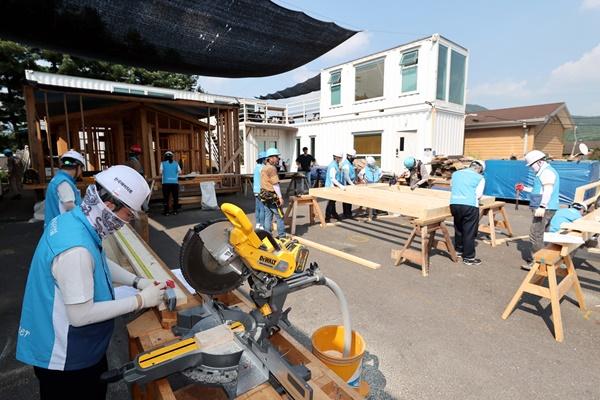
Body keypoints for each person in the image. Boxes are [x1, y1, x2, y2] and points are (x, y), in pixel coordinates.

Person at [16, 165, 166, 400]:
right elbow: (80, 316)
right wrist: (140, 300)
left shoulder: (74, 221)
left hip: (73, 347)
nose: (126, 222)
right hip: (65, 359)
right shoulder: (76, 250)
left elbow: (99, 260)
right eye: (128, 215)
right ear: (109, 206)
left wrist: (138, 281)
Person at [517, 150, 560, 270]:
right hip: (546, 207)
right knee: (543, 234)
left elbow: (548, 191)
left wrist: (542, 206)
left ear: (540, 162)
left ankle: (539, 263)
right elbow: (539, 190)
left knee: (535, 235)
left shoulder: (546, 172)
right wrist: (524, 188)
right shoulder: (542, 172)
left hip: (544, 208)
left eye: (532, 165)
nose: (531, 168)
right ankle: (546, 261)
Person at [449, 160, 486, 266]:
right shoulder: (480, 178)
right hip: (469, 205)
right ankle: (469, 257)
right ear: (479, 169)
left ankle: (459, 250)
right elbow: (478, 195)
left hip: (454, 203)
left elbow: (452, 186)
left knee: (458, 228)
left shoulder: (455, 174)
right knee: (469, 231)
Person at [44, 150, 86, 226]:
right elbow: (69, 205)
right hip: (62, 226)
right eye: (82, 169)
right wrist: (84, 218)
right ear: (79, 167)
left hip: (54, 225)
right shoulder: (64, 182)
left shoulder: (57, 179)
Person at [260, 147, 286, 238]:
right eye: (276, 157)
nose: (278, 159)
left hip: (264, 195)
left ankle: (268, 236)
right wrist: (280, 197)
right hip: (272, 196)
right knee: (280, 216)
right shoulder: (272, 168)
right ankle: (282, 236)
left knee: (268, 216)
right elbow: (275, 185)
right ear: (270, 158)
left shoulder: (264, 168)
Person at [325, 151, 346, 222]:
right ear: (336, 157)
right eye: (339, 158)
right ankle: (327, 217)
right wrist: (341, 186)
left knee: (333, 201)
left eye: (341, 158)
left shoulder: (336, 164)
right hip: (331, 186)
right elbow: (332, 178)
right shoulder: (333, 166)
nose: (340, 159)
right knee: (331, 202)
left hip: (334, 186)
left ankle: (334, 214)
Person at [160, 151, 181, 215]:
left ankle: (166, 212)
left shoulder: (162, 163)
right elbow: (180, 172)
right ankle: (175, 211)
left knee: (166, 197)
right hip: (174, 182)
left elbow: (160, 172)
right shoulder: (176, 163)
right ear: (172, 157)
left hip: (166, 183)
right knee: (175, 197)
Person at [341, 149, 357, 218]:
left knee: (350, 199)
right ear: (349, 156)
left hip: (350, 183)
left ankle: (349, 212)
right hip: (347, 183)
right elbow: (347, 177)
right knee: (346, 199)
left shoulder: (350, 163)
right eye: (353, 158)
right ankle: (346, 213)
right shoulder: (346, 164)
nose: (354, 159)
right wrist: (352, 184)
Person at [253, 151, 267, 229]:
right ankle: (262, 225)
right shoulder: (262, 168)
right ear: (263, 159)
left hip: (255, 190)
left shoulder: (256, 167)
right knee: (262, 208)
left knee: (257, 208)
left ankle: (257, 224)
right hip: (261, 190)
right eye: (266, 159)